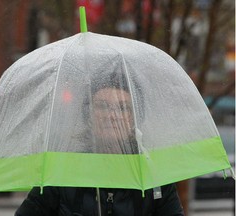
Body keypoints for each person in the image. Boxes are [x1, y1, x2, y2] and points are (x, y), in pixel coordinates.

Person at [15, 71, 184, 216]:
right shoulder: (61, 173)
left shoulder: (154, 177)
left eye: (123, 108)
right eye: (102, 106)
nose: (112, 116)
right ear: (88, 115)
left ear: (134, 118)